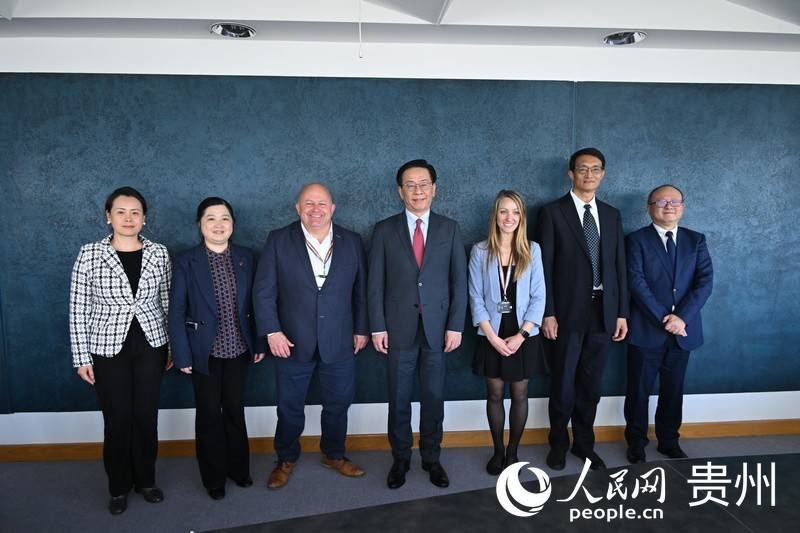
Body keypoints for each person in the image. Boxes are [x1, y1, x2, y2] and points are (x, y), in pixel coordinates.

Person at [253, 183, 369, 489]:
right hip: (291, 341)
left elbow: (361, 291)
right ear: (298, 208)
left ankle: (334, 455)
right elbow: (263, 292)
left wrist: (361, 329)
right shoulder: (278, 240)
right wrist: (272, 331)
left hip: (340, 340)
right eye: (308, 204)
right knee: (289, 406)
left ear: (332, 208)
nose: (315, 210)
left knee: (338, 404)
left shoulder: (352, 241)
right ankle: (286, 459)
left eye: (321, 204)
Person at [69, 186, 172, 515]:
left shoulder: (159, 253)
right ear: (108, 216)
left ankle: (146, 480)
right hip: (106, 349)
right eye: (121, 212)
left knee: (146, 416)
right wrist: (81, 357)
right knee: (117, 419)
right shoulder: (89, 254)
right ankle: (118, 487)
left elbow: (168, 302)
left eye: (135, 212)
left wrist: (172, 347)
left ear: (144, 218)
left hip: (151, 346)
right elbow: (78, 309)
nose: (128, 218)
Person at [368, 159, 467, 489]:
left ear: (434, 189)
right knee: (398, 399)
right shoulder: (384, 230)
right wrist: (377, 327)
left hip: (438, 330)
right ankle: (400, 459)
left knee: (433, 397)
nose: (417, 190)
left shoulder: (449, 229)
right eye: (410, 185)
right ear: (400, 191)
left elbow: (458, 282)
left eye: (423, 184)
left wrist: (455, 325)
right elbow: (375, 284)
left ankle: (431, 458)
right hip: (397, 329)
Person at [535, 147, 628, 471]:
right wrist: (548, 312)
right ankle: (558, 444)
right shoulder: (552, 212)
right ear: (571, 173)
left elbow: (618, 266)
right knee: (563, 382)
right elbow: (544, 267)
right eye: (583, 168)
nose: (589, 174)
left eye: (595, 169)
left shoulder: (612, 215)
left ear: (603, 174)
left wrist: (621, 312)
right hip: (565, 313)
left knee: (591, 384)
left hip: (604, 311)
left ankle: (584, 445)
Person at [168, 197, 266, 499]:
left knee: (235, 410)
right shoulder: (186, 260)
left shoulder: (246, 257)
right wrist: (181, 354)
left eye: (225, 218)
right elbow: (176, 310)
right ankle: (213, 478)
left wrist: (259, 342)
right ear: (200, 224)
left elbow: (257, 304)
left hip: (239, 349)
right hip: (203, 352)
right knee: (209, 414)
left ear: (233, 224)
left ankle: (239, 469)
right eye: (211, 218)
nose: (219, 224)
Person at [624, 185, 713, 463]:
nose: (669, 206)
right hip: (646, 330)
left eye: (675, 201)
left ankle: (668, 441)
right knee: (638, 391)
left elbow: (704, 282)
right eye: (662, 201)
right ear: (649, 207)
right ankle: (636, 443)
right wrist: (666, 319)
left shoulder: (696, 240)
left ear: (682, 206)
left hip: (683, 331)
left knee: (673, 390)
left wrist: (681, 318)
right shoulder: (636, 240)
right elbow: (636, 283)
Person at [468, 190, 546, 475]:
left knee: (520, 394)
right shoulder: (480, 251)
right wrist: (491, 337)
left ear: (522, 217)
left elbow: (539, 296)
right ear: (495, 215)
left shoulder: (532, 250)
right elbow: (475, 297)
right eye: (503, 211)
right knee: (495, 394)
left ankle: (513, 452)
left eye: (515, 212)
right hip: (492, 333)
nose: (509, 217)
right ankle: (498, 452)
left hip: (523, 334)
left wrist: (522, 335)